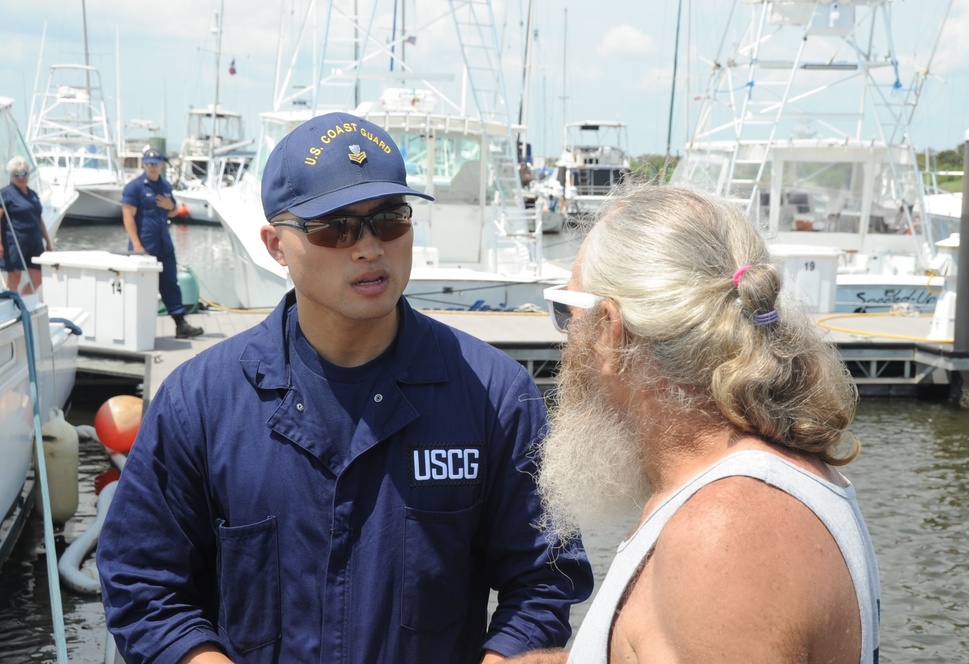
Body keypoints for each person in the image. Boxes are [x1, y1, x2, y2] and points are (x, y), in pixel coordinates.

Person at [97, 112, 593, 663]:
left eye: (389, 219)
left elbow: (545, 582)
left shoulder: (496, 397)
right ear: (276, 245)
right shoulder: (200, 402)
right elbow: (142, 584)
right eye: (335, 227)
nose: (368, 247)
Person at [534, 185, 881, 663]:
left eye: (566, 313)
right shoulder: (748, 487)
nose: (566, 344)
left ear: (610, 333)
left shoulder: (725, 535)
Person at [121, 148, 203, 339]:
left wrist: (171, 207)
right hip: (143, 246)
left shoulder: (165, 185)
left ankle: (180, 324)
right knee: (141, 289)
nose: (152, 167)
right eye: (149, 164)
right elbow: (128, 217)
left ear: (161, 165)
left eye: (156, 164)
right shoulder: (134, 187)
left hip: (164, 245)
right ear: (143, 164)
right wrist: (137, 245)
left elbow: (173, 213)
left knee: (170, 284)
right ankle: (135, 329)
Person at [0, 157, 53, 294]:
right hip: (14, 242)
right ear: (11, 176)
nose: (21, 177)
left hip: (34, 242)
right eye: (16, 175)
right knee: (15, 278)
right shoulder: (5, 194)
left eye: (24, 174)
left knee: (38, 277)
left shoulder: (33, 194)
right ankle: (13, 306)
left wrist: (48, 241)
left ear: (28, 174)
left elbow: (39, 218)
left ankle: (23, 301)